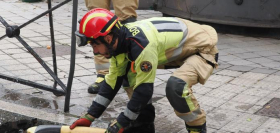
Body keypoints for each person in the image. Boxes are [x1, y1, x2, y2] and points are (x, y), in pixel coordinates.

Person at [70, 8, 219, 133]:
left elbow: (144, 91)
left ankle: (197, 129)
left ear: (108, 38)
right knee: (127, 74)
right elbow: (111, 83)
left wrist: (122, 122)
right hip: (176, 48)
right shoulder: (120, 41)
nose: (95, 52)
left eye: (95, 45)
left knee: (176, 86)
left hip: (202, 47)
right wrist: (90, 116)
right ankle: (143, 125)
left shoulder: (141, 45)